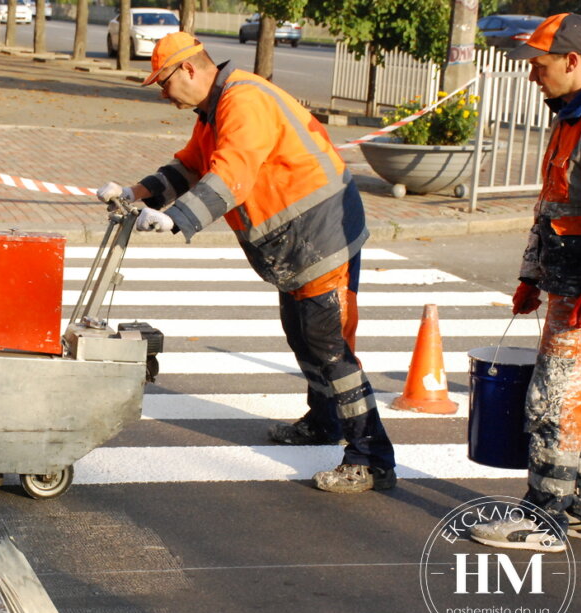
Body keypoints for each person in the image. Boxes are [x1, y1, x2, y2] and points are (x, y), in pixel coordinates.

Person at [96, 32, 395, 493]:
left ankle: (371, 457)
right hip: (298, 242)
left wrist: (176, 220)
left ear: (189, 69)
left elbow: (231, 175)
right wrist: (135, 193)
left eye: (163, 81)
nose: (162, 93)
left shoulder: (243, 101)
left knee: (329, 347)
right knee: (303, 338)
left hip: (322, 235)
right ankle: (324, 422)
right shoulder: (213, 112)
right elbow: (189, 167)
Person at [470, 13, 581, 553]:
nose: (531, 76)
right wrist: (532, 276)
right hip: (570, 286)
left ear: (572, 61)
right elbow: (554, 206)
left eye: (540, 65)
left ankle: (544, 520)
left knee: (555, 400)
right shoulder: (569, 116)